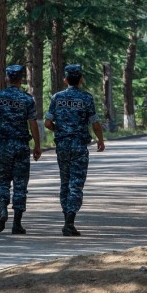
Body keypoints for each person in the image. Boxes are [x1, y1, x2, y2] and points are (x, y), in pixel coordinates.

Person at [45, 64, 105, 236]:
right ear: (81, 80)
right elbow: (95, 123)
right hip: (79, 145)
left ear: (65, 80)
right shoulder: (86, 98)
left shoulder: (57, 97)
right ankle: (69, 222)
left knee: (65, 183)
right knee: (76, 184)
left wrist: (62, 131)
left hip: (62, 145)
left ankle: (67, 219)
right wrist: (100, 140)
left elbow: (48, 123)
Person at [0, 65, 42, 234]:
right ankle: (17, 223)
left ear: (7, 78)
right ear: (21, 79)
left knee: (3, 181)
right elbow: (33, 123)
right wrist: (37, 146)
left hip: (4, 145)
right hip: (21, 145)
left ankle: (2, 210)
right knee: (20, 184)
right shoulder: (27, 99)